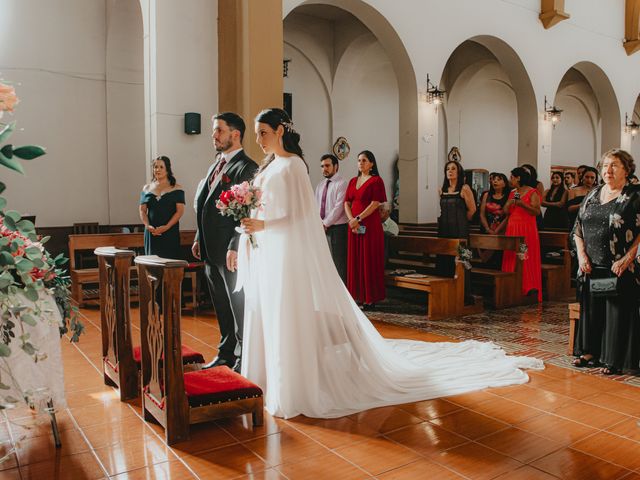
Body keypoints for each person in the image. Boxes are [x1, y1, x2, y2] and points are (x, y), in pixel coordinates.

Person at [237, 107, 542, 420]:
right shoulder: (271, 165)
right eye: (257, 133)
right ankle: (267, 378)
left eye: (263, 132)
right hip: (269, 249)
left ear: (280, 131)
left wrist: (264, 225)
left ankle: (293, 383)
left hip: (285, 249)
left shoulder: (293, 166)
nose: (258, 139)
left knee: (287, 314)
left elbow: (301, 215)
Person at [193, 112, 258, 372]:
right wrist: (199, 235)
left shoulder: (246, 167)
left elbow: (247, 211)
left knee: (237, 305)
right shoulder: (215, 165)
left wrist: (234, 245)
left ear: (235, 134)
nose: (214, 135)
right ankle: (226, 353)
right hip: (210, 248)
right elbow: (205, 205)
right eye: (214, 130)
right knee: (220, 305)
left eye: (219, 130)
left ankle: (244, 356)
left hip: (231, 251)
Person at [572, 149, 640, 375]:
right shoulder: (593, 194)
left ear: (627, 170)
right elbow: (577, 229)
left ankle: (614, 359)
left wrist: (627, 258)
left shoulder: (634, 196)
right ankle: (589, 351)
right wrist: (582, 256)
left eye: (614, 166)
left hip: (620, 266)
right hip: (591, 265)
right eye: (605, 166)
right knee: (593, 311)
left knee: (616, 313)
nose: (608, 171)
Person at [344, 150, 387, 309]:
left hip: (369, 225)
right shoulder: (352, 181)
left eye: (364, 160)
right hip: (353, 225)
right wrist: (351, 220)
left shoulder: (376, 181)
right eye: (359, 160)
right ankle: (357, 296)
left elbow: (375, 203)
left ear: (372, 163)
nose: (360, 163)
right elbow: (346, 203)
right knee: (355, 259)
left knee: (368, 259)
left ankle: (370, 298)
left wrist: (358, 219)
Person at [437, 160, 476, 303]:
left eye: (453, 168)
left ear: (459, 172)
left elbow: (472, 210)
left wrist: (461, 222)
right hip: (444, 229)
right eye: (448, 169)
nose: (450, 171)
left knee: (462, 261)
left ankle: (464, 294)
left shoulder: (464, 188)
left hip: (460, 230)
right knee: (445, 259)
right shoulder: (441, 189)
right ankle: (446, 293)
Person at [502, 167, 542, 302]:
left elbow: (536, 212)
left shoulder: (532, 192)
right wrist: (509, 203)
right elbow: (506, 211)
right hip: (513, 227)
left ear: (518, 178)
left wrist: (522, 204)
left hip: (526, 228)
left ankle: (528, 286)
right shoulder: (512, 192)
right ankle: (511, 285)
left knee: (524, 256)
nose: (510, 180)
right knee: (511, 255)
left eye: (512, 177)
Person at [139, 156, 185, 259]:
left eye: (161, 167)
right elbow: (142, 210)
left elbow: (180, 212)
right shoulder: (146, 188)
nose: (157, 169)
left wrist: (167, 227)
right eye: (155, 167)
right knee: (152, 265)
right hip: (152, 233)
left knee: (170, 265)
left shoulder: (177, 188)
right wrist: (147, 225)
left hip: (169, 232)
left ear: (167, 169)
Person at [314, 154, 348, 283]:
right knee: (324, 263)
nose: (324, 169)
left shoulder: (342, 184)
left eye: (327, 166)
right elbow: (316, 206)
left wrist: (325, 224)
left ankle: (343, 297)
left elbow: (338, 208)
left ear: (336, 167)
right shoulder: (320, 185)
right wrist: (319, 224)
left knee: (339, 264)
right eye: (322, 166)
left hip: (338, 229)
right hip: (322, 228)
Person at [478, 172, 509, 265]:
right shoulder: (487, 195)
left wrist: (497, 231)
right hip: (486, 228)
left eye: (499, 179)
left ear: (505, 183)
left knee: (498, 258)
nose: (495, 181)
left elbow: (509, 215)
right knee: (485, 259)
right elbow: (482, 214)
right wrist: (487, 228)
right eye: (494, 179)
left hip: (502, 230)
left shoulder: (509, 196)